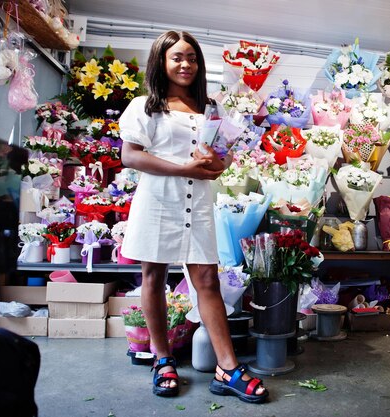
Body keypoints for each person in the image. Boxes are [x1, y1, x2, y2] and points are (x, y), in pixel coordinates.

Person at [118, 30, 268, 403]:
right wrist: (185, 167)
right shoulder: (145, 106)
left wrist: (219, 163)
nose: (186, 64)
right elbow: (130, 156)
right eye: (177, 57)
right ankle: (162, 359)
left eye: (192, 58)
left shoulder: (211, 106)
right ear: (162, 62)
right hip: (158, 200)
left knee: (207, 279)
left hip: (198, 201)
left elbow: (222, 155)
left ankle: (228, 367)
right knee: (153, 276)